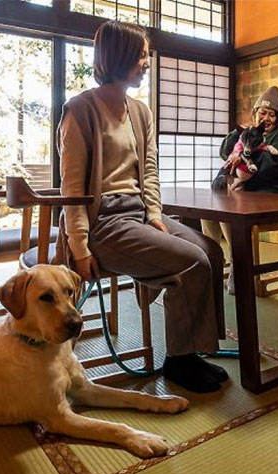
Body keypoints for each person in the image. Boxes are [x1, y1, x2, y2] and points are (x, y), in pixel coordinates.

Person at [56, 21, 227, 393]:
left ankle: (194, 350)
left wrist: (154, 215)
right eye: (141, 55)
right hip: (103, 224)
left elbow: (149, 170)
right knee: (192, 261)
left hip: (138, 214)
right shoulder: (79, 110)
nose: (147, 62)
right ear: (118, 57)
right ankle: (181, 361)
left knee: (211, 251)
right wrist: (80, 246)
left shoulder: (140, 111)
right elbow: (72, 188)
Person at [202, 86, 278, 293]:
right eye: (262, 113)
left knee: (230, 202)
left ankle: (238, 259)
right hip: (249, 192)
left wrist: (241, 159)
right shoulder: (248, 134)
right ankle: (212, 260)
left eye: (272, 115)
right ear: (255, 114)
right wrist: (238, 132)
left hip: (274, 194)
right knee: (209, 209)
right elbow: (224, 152)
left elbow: (273, 166)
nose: (267, 118)